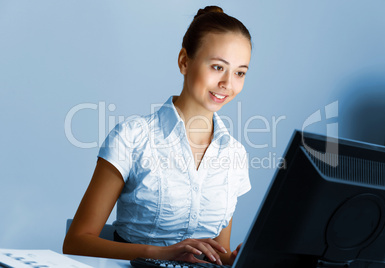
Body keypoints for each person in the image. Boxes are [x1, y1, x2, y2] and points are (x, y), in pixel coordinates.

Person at [63, 5, 252, 265]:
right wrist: (160, 253)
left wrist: (233, 259)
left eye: (240, 73)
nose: (228, 84)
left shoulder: (235, 155)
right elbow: (76, 241)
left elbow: (217, 254)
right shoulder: (132, 137)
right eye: (218, 67)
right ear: (184, 61)